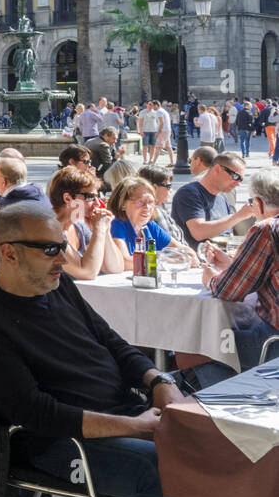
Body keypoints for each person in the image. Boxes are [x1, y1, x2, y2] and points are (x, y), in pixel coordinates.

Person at [0, 202, 188, 497]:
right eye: (50, 249)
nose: (63, 258)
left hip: (121, 411)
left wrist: (158, 379)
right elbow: (33, 412)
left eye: (63, 246)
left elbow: (111, 340)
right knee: (161, 466)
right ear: (10, 253)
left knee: (210, 438)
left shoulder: (57, 285)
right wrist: (131, 426)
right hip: (59, 441)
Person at [199, 167, 279, 370]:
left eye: (251, 203)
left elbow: (227, 291)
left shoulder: (267, 229)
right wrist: (232, 265)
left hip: (272, 343)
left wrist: (210, 278)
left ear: (259, 204)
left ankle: (195, 392)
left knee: (197, 336)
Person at [47, 166, 122, 279]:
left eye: (98, 197)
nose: (97, 203)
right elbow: (88, 272)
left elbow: (115, 268)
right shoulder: (49, 230)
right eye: (90, 197)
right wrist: (99, 231)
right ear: (68, 199)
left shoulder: (79, 226)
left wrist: (105, 232)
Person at [171, 151, 254, 252]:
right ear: (217, 169)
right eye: (236, 176)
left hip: (220, 259)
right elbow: (198, 232)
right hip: (196, 260)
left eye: (241, 179)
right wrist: (239, 216)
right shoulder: (189, 193)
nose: (238, 183)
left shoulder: (222, 200)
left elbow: (229, 236)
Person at [108, 177, 194, 268]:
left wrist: (190, 256)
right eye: (141, 202)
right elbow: (123, 262)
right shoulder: (116, 225)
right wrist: (168, 262)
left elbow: (183, 249)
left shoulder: (149, 226)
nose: (147, 207)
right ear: (122, 204)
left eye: (151, 202)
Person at [136, 164, 184, 245]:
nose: (171, 190)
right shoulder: (155, 211)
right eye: (168, 186)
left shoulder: (159, 207)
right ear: (154, 187)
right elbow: (173, 244)